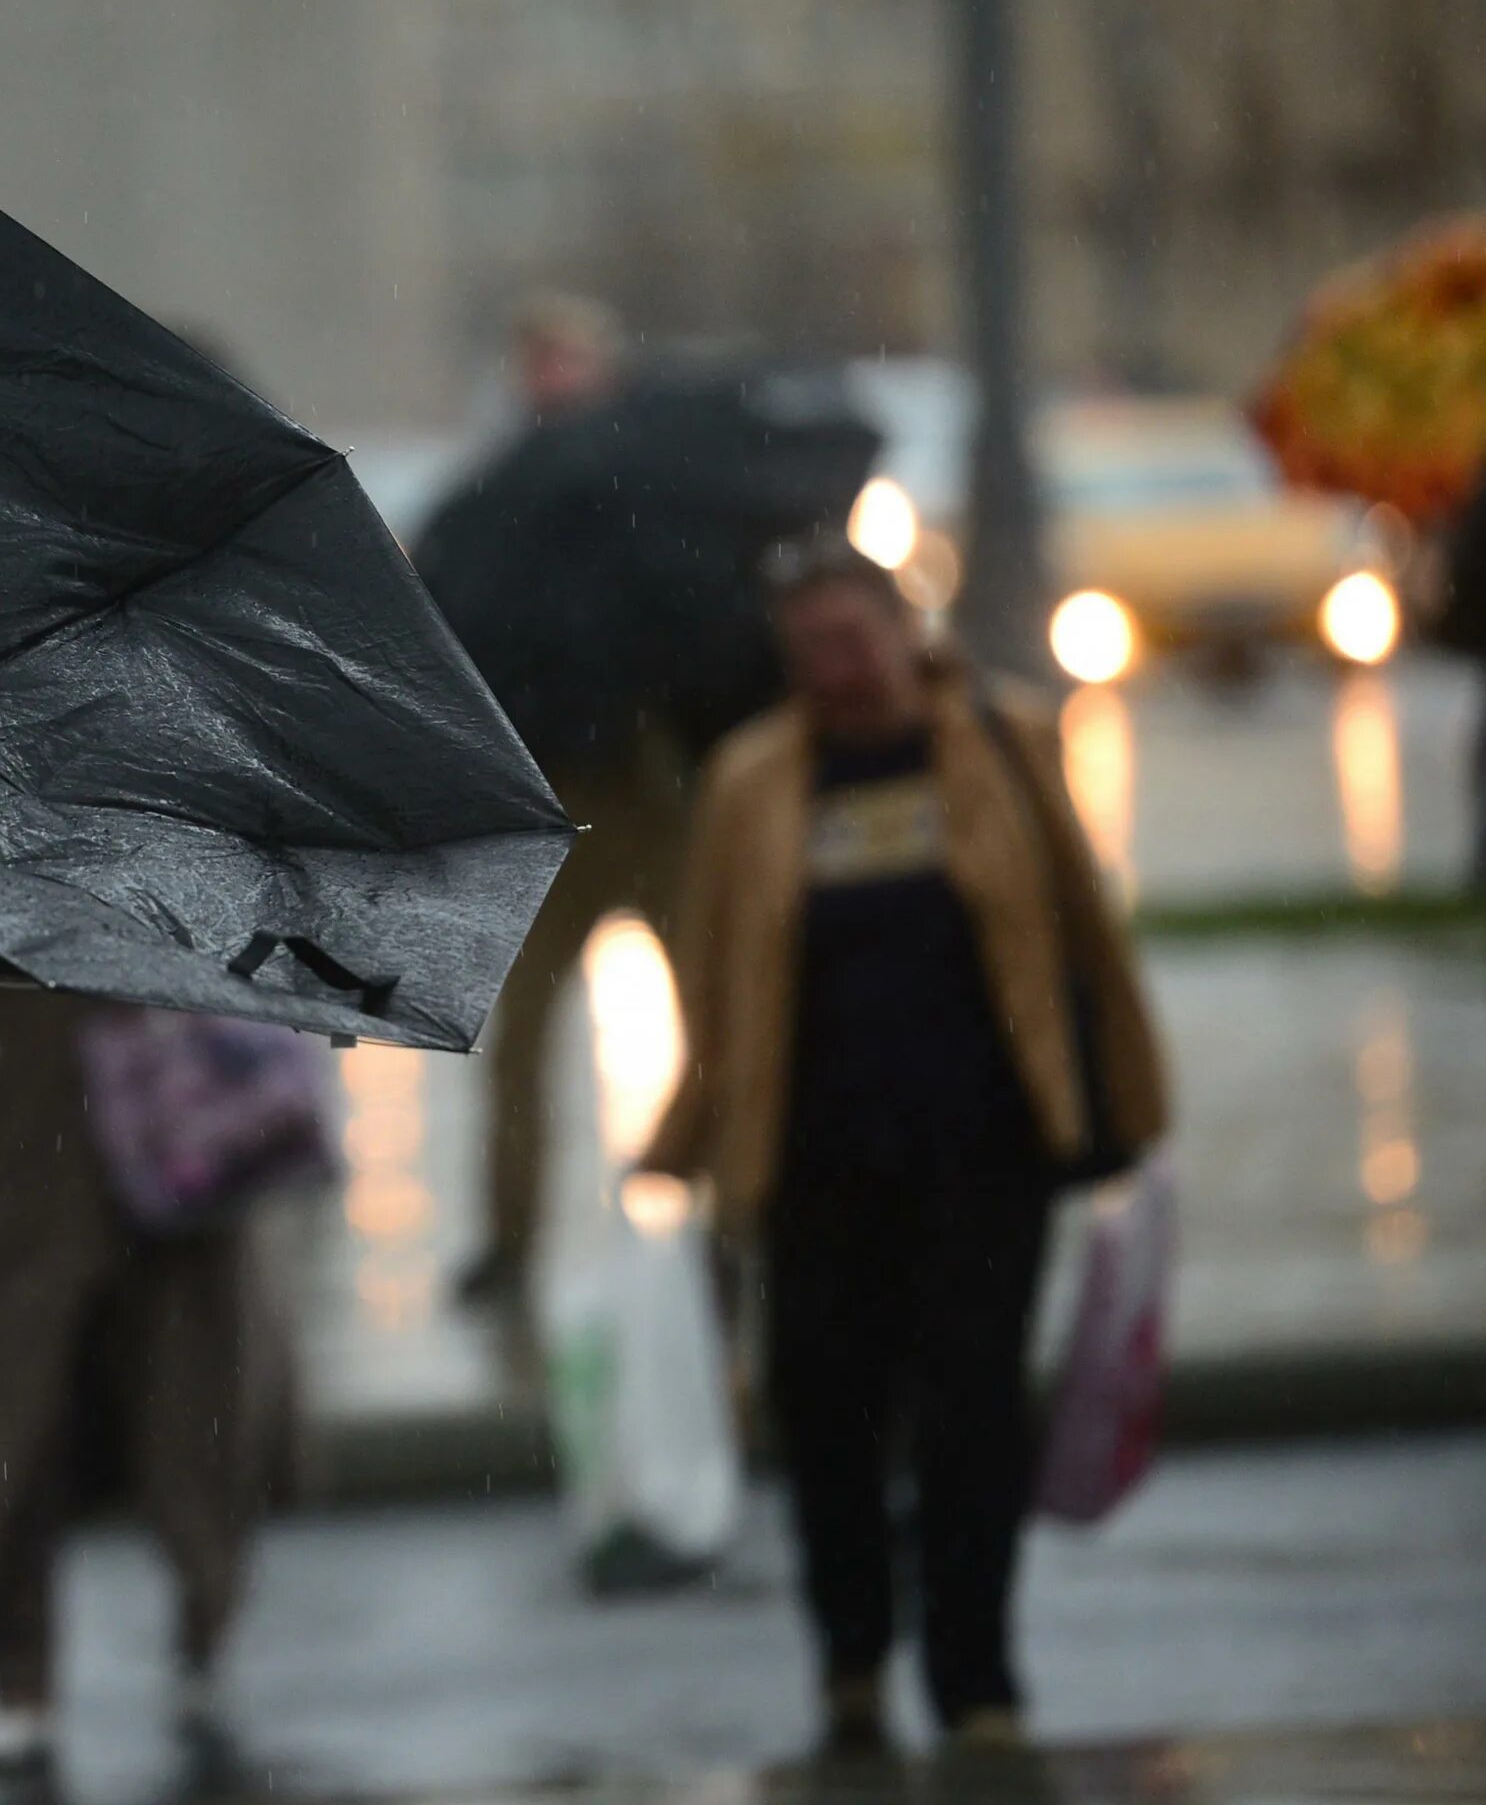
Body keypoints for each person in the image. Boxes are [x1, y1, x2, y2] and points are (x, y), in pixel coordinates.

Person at [640, 536, 1167, 1758]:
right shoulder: (752, 781)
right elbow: (718, 985)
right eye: (808, 647)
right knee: (825, 1417)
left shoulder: (1003, 739)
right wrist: (679, 1143)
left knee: (972, 1415)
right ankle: (852, 1662)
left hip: (984, 1150)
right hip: (816, 1158)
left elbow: (1080, 929)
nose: (835, 666)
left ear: (903, 629)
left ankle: (977, 1675)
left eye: (853, 637)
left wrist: (1120, 1101)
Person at [0, 931, 291, 1784]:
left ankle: (192, 1643)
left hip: (163, 1101)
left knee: (187, 1390)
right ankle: (26, 1679)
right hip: (27, 1115)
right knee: (12, 1408)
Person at [417, 292, 687, 1312]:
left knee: (719, 1018)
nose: (556, 383)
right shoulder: (494, 509)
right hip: (547, 805)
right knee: (519, 1043)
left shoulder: (655, 491)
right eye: (542, 364)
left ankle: (723, 1210)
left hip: (653, 791)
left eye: (570, 362)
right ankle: (510, 1239)